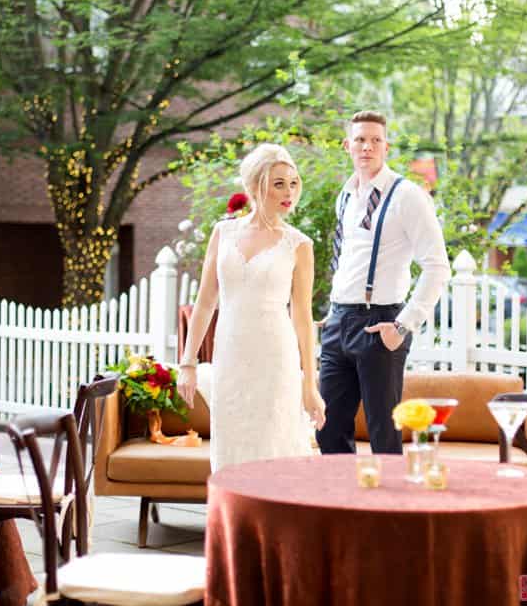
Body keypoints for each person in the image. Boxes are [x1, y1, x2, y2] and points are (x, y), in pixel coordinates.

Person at [177, 143, 326, 471]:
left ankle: (278, 521)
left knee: (275, 444)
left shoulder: (298, 244)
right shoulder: (224, 233)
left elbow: (302, 317)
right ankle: (234, 521)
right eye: (279, 184)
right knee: (231, 446)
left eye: (293, 183)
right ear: (255, 187)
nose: (289, 192)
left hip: (276, 358)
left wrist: (309, 384)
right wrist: (187, 362)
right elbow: (205, 303)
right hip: (229, 356)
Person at [317, 111, 451, 455]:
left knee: (383, 437)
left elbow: (437, 267)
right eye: (360, 139)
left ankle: (388, 508)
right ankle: (342, 506)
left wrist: (403, 325)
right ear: (348, 146)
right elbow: (350, 258)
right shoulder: (346, 196)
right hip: (338, 322)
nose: (367, 147)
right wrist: (332, 310)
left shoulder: (408, 196)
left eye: (375, 140)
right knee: (327, 430)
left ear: (386, 147)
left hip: (381, 324)